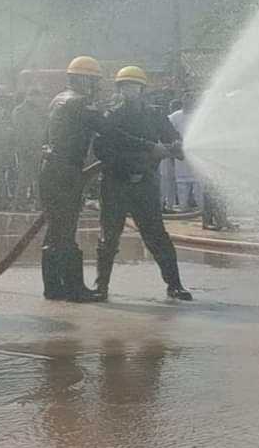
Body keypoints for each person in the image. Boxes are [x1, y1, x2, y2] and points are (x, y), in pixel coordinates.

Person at [40, 57, 165, 302]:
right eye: (95, 81)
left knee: (55, 230)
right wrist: (150, 145)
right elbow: (110, 130)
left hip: (49, 169)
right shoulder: (81, 103)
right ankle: (75, 290)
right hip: (67, 171)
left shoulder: (58, 99)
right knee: (65, 231)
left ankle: (53, 287)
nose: (96, 86)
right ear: (84, 79)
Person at [93, 66, 191, 301]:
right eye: (125, 86)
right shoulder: (110, 115)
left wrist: (177, 144)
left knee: (157, 236)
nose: (130, 90)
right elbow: (105, 145)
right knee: (109, 238)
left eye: (134, 86)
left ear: (142, 89)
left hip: (145, 184)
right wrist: (147, 149)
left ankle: (174, 285)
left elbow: (169, 135)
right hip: (116, 183)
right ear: (118, 89)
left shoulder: (154, 115)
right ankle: (101, 286)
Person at [12, 88, 48, 211]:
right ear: (29, 96)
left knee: (38, 178)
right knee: (25, 177)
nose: (39, 100)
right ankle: (20, 203)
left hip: (37, 147)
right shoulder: (20, 110)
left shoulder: (38, 110)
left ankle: (39, 203)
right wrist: (24, 147)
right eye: (36, 97)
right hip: (26, 148)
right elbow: (19, 132)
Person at [168, 92, 202, 212]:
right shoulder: (174, 117)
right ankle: (183, 206)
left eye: (191, 100)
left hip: (196, 154)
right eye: (186, 99)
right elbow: (169, 133)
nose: (188, 102)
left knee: (198, 183)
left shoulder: (200, 115)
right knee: (182, 183)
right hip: (180, 154)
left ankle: (201, 208)